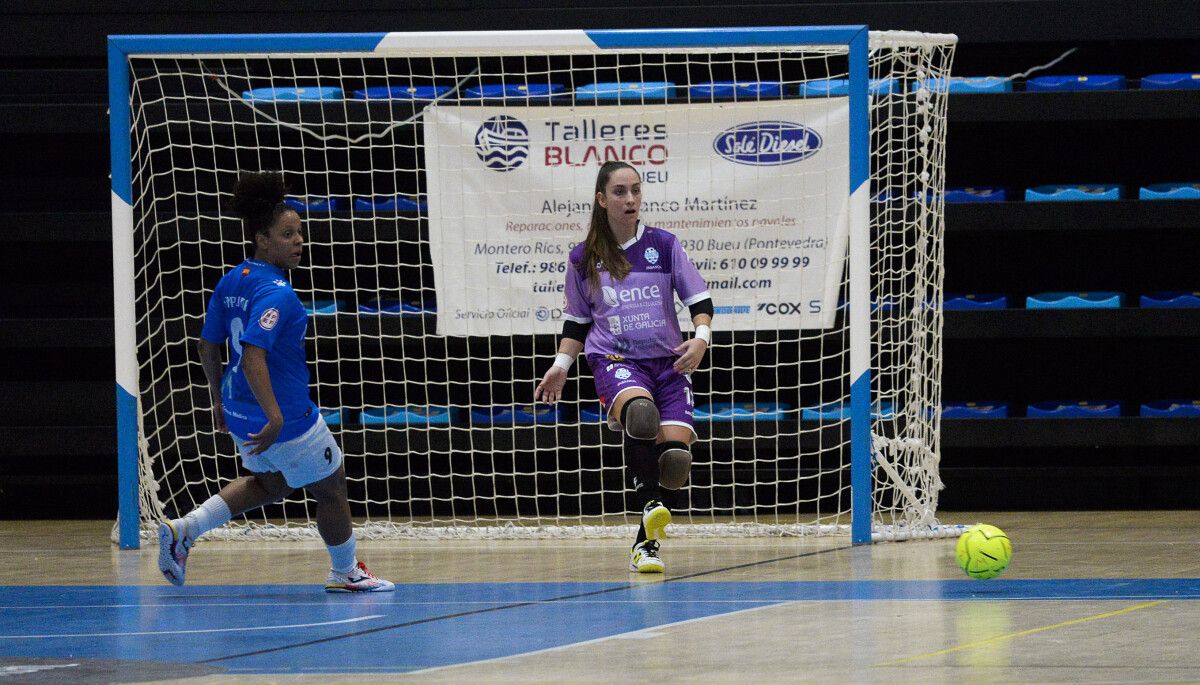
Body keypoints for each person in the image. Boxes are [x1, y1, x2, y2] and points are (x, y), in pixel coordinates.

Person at [157, 171, 393, 593]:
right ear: (262, 239)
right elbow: (252, 356)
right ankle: (345, 571)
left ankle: (185, 530)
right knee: (332, 487)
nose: (298, 241)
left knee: (272, 481)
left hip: (237, 409)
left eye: (299, 232)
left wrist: (217, 402)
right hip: (281, 414)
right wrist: (275, 415)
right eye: (287, 234)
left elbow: (207, 347)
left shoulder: (232, 280)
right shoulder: (277, 292)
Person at [535, 161, 713, 573]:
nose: (630, 198)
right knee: (641, 413)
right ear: (602, 199)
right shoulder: (583, 258)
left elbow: (700, 303)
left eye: (635, 190)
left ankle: (644, 546)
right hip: (615, 359)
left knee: (674, 464)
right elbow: (577, 322)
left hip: (667, 363)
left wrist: (701, 339)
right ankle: (648, 498)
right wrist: (562, 363)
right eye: (619, 191)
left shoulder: (664, 245)